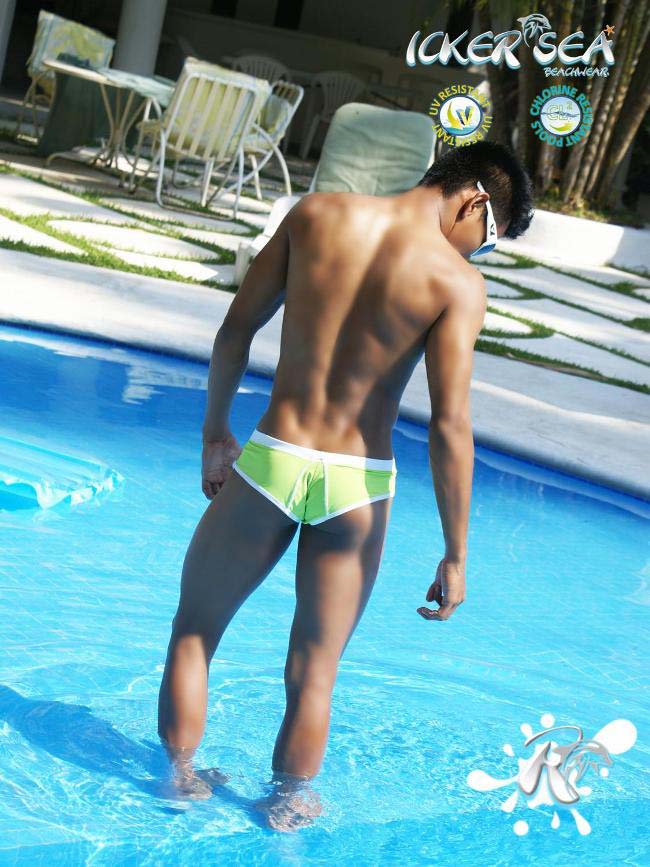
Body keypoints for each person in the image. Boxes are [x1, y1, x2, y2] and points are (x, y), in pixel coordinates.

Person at [156, 140, 534, 828]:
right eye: (490, 237)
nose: (480, 251)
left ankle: (178, 779)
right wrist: (456, 552)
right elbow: (450, 424)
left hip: (275, 455)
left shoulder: (317, 214)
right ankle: (286, 803)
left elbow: (235, 329)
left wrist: (215, 433)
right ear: (474, 200)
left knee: (195, 630)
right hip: (357, 484)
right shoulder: (456, 284)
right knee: (315, 668)